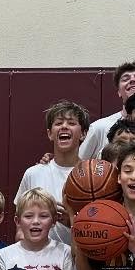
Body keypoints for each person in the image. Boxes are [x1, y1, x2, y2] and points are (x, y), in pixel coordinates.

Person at [14, 99, 89, 243]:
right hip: (39, 260)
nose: (64, 126)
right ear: (50, 133)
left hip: (79, 258)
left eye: (71, 123)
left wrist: (72, 221)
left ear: (83, 134)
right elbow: (20, 225)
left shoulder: (93, 176)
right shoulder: (33, 173)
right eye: (59, 123)